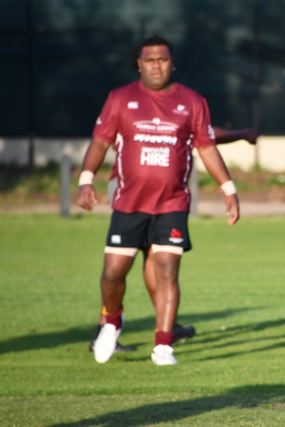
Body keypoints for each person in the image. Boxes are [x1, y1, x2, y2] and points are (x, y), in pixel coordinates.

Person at [77, 35, 240, 366]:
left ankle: (163, 346)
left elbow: (207, 148)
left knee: (167, 270)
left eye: (162, 59)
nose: (156, 65)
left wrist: (228, 189)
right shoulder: (120, 98)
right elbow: (100, 141)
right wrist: (86, 180)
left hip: (172, 204)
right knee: (113, 272)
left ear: (172, 64)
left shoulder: (192, 101)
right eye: (150, 60)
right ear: (139, 64)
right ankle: (112, 321)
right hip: (128, 203)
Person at [88, 126, 258, 354]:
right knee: (123, 265)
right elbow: (204, 134)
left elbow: (200, 133)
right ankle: (108, 328)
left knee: (150, 259)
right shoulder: (137, 106)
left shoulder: (162, 107)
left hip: (147, 192)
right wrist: (242, 134)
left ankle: (163, 326)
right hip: (132, 191)